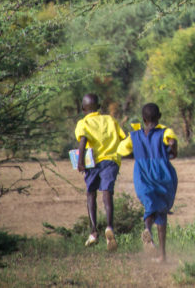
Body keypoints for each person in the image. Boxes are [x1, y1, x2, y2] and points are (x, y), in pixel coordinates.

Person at [118, 102, 178, 262]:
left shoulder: (134, 135)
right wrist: (172, 149)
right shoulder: (166, 131)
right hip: (163, 174)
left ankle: (147, 230)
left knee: (149, 202)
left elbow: (122, 149)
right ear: (159, 117)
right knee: (161, 211)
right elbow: (172, 142)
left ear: (143, 119)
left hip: (143, 173)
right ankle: (162, 254)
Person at [74, 93, 127, 251]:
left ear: (83, 109)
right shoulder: (110, 120)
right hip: (111, 161)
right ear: (99, 107)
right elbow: (122, 138)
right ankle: (109, 227)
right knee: (107, 193)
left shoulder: (83, 123)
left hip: (93, 163)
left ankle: (93, 232)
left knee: (91, 193)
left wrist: (80, 161)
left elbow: (83, 140)